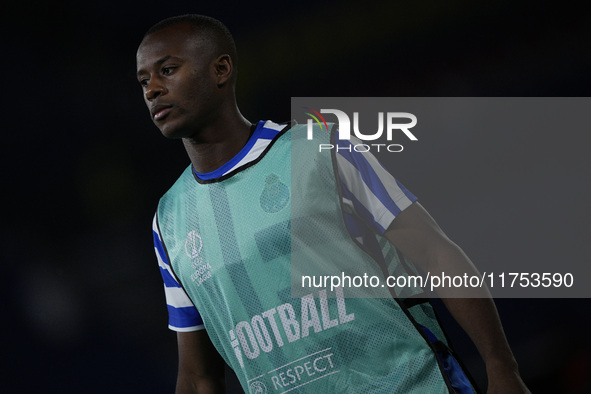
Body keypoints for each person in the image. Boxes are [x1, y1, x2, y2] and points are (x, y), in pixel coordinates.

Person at [136, 14, 530, 393]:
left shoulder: (320, 149)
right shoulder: (169, 220)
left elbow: (437, 255)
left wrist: (502, 369)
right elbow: (197, 377)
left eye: (167, 70)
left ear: (221, 70)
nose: (152, 88)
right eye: (143, 80)